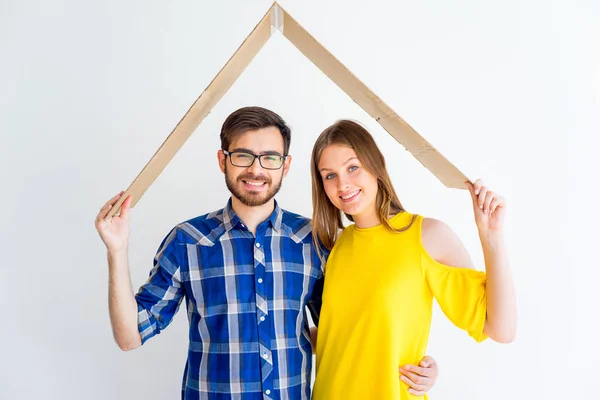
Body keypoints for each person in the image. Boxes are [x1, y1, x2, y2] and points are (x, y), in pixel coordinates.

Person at [95, 107, 439, 399]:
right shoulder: (188, 241)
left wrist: (411, 365)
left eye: (269, 158)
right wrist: (117, 250)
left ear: (285, 166)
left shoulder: (315, 240)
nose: (256, 169)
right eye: (243, 155)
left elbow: (341, 334)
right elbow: (130, 336)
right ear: (223, 160)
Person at [309, 119, 517, 399]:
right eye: (329, 175)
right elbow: (340, 338)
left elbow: (501, 329)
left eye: (353, 167)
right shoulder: (335, 246)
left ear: (376, 165)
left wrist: (492, 238)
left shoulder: (426, 236)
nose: (343, 183)